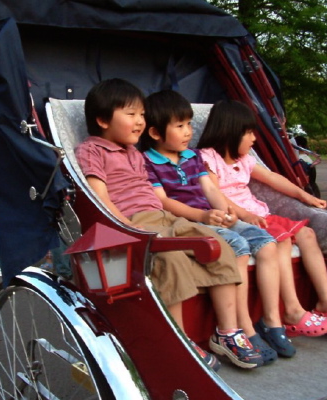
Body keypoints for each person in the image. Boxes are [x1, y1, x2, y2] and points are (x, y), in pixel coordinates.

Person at [75, 78, 263, 370]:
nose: (140, 121)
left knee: (219, 244)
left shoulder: (134, 153)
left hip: (165, 218)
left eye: (141, 114)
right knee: (172, 258)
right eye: (131, 114)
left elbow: (152, 194)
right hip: (135, 221)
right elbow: (100, 198)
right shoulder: (93, 150)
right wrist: (128, 229)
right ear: (102, 120)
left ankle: (227, 332)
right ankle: (180, 340)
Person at [140, 90, 294, 362]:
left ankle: (269, 321)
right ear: (154, 132)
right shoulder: (148, 161)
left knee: (265, 241)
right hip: (187, 221)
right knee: (238, 245)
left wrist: (228, 212)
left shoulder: (192, 157)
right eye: (180, 126)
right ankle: (236, 328)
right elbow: (163, 202)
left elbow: (210, 189)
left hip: (211, 215)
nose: (188, 131)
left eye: (188, 124)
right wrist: (202, 217)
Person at [197, 100, 327, 337]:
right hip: (244, 220)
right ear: (230, 130)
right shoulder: (207, 158)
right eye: (249, 132)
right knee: (282, 240)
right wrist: (245, 215)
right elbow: (215, 195)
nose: (254, 139)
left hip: (261, 215)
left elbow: (273, 179)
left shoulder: (245, 160)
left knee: (308, 233)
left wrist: (305, 195)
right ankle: (293, 310)